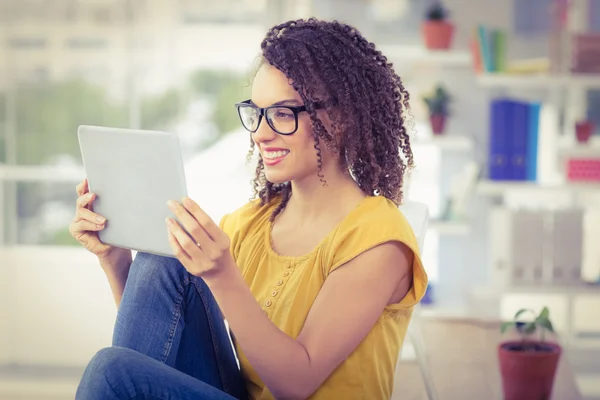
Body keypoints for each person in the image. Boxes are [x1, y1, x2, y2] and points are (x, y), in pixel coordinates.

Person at [72, 17, 427, 400]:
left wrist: (223, 275)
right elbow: (158, 344)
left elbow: (296, 384)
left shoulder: (377, 238)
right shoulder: (249, 223)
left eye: (282, 113)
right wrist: (116, 261)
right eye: (256, 112)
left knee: (111, 372)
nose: (260, 133)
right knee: (164, 260)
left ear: (339, 118)